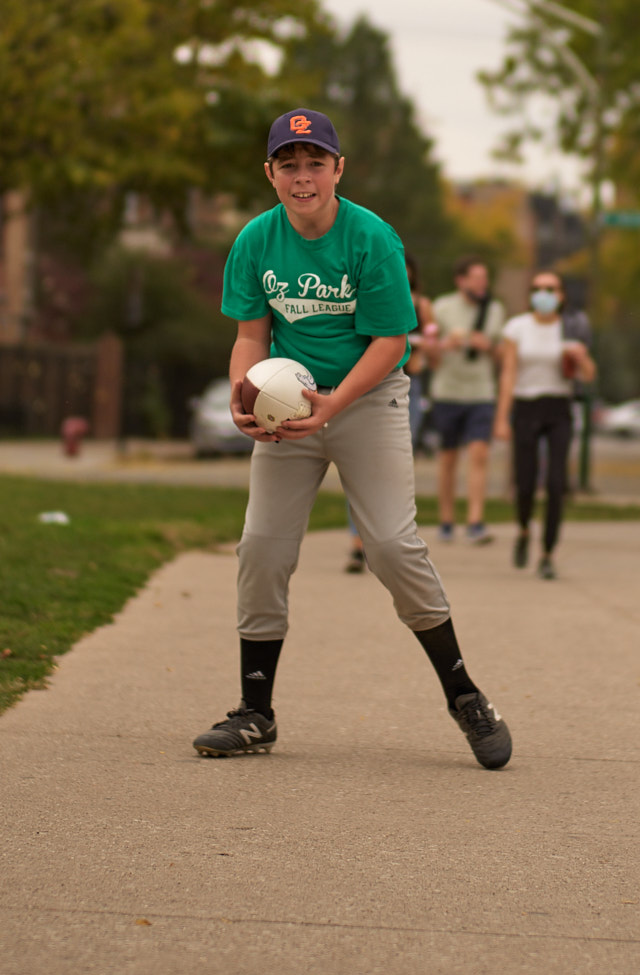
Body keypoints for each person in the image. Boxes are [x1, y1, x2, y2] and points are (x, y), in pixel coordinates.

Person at [192, 108, 511, 770]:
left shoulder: (373, 240)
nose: (302, 176)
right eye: (289, 163)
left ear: (339, 168)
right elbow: (251, 335)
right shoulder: (255, 240)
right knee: (261, 546)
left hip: (368, 399)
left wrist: (335, 402)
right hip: (289, 407)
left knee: (392, 545)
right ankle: (256, 711)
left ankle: (465, 695)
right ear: (270, 174)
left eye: (315, 162)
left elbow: (391, 342)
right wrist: (243, 391)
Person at [493, 269, 596, 579]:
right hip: (525, 406)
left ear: (562, 295)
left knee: (555, 484)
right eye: (538, 288)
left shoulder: (571, 329)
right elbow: (509, 373)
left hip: (558, 407)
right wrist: (502, 417)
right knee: (525, 484)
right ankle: (524, 530)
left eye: (551, 289)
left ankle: (548, 552)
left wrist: (581, 358)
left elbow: (589, 375)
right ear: (530, 295)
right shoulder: (517, 327)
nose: (544, 294)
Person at [429, 257, 505, 544]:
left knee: (479, 454)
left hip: (481, 392)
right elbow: (430, 354)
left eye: (484, 279)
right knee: (448, 458)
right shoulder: (441, 307)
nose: (481, 284)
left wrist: (489, 346)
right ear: (460, 280)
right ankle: (446, 520)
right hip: (447, 391)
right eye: (475, 278)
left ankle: (476, 521)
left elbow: (502, 355)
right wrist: (447, 344)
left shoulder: (495, 309)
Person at [403, 253, 435, 452]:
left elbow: (430, 337)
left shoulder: (421, 304)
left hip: (411, 369)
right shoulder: (379, 295)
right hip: (383, 370)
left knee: (410, 426)